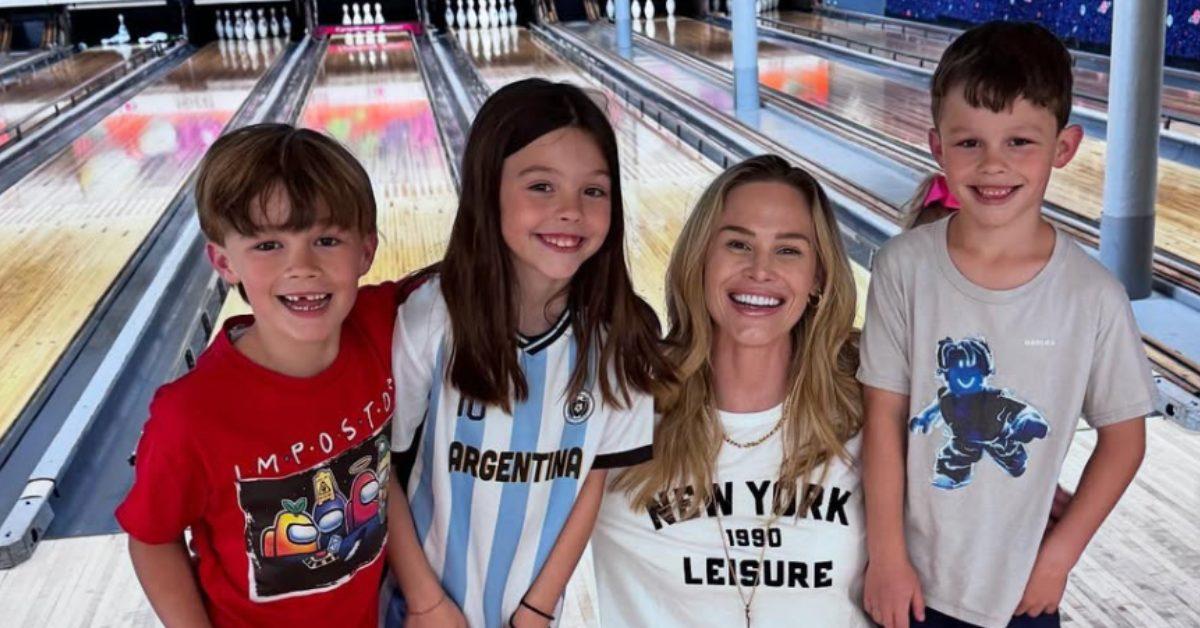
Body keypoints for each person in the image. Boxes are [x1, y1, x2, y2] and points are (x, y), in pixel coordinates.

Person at [858, 21, 1156, 628]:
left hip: (1022, 590)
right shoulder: (903, 266)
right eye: (970, 143)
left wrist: (1058, 559)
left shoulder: (1092, 296)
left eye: (1020, 141)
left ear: (1064, 148)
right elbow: (883, 416)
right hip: (907, 582)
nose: (994, 165)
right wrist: (887, 556)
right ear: (937, 147)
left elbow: (1125, 439)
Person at [384, 78, 674, 628]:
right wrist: (424, 602)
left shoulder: (622, 335)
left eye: (594, 191)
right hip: (416, 608)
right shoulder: (432, 317)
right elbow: (381, 469)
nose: (571, 211)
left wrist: (537, 610)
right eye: (541, 186)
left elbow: (593, 481)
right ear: (486, 189)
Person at [116, 124, 397, 627]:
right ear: (224, 261)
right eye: (268, 245)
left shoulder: (381, 326)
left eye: (327, 239)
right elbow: (152, 538)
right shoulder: (190, 416)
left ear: (366, 251)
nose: (303, 267)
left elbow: (477, 278)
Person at [592, 154, 870, 626]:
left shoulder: (870, 411)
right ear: (701, 258)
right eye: (738, 244)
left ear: (819, 277)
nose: (760, 270)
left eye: (788, 250)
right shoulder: (623, 407)